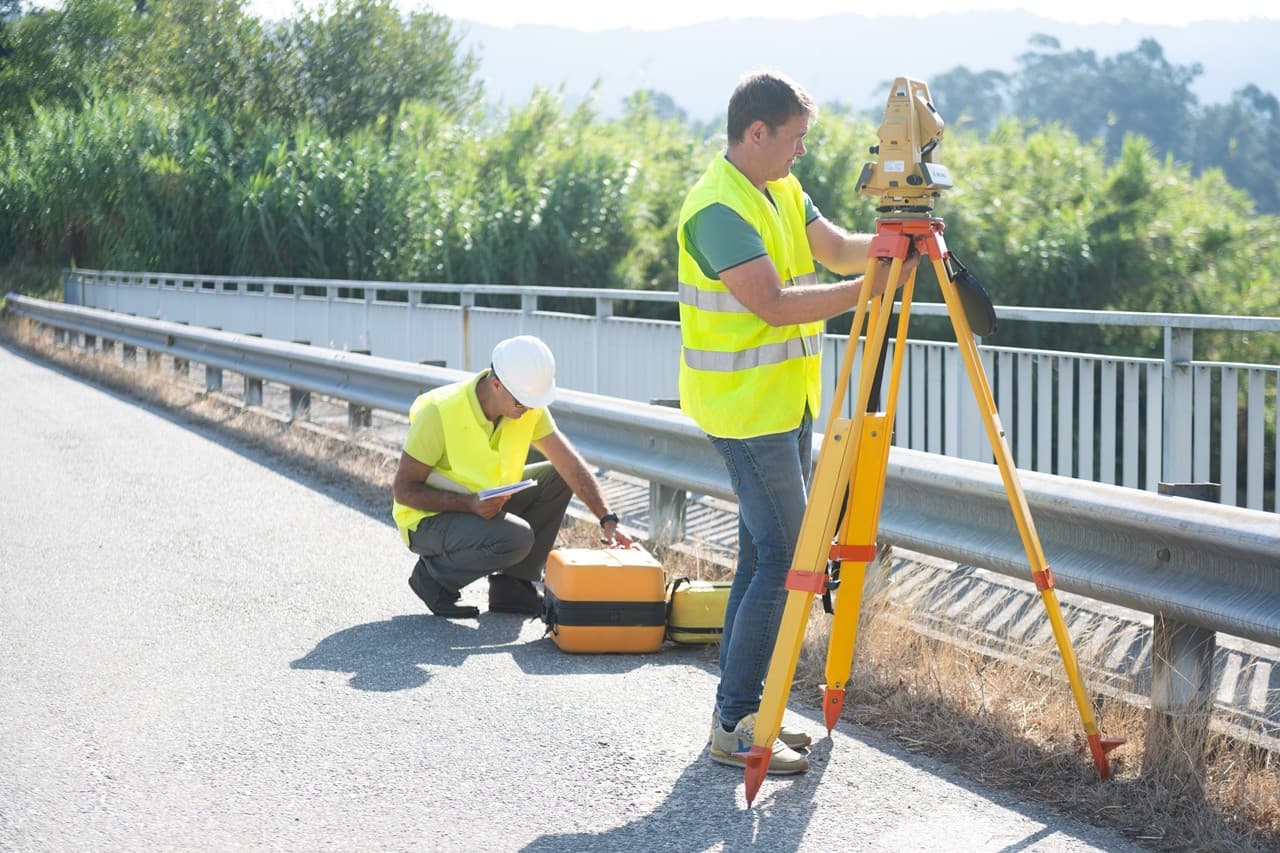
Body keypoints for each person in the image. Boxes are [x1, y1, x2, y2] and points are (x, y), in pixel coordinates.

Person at [677, 71, 918, 775]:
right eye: (794, 141)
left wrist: (890, 240)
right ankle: (734, 723)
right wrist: (872, 289)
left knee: (763, 556)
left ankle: (748, 712)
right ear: (757, 133)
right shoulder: (715, 208)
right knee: (786, 559)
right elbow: (775, 304)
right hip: (743, 411)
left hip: (784, 403)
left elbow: (837, 247)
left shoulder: (779, 190)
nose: (800, 154)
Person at [392, 335, 630, 619]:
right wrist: (469, 503)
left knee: (557, 476)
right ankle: (433, 579)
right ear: (496, 384)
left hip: (484, 505)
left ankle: (513, 588)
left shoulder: (525, 406)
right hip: (426, 521)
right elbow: (404, 491)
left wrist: (607, 519)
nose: (528, 409)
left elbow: (569, 464)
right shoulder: (439, 413)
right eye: (522, 403)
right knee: (516, 537)